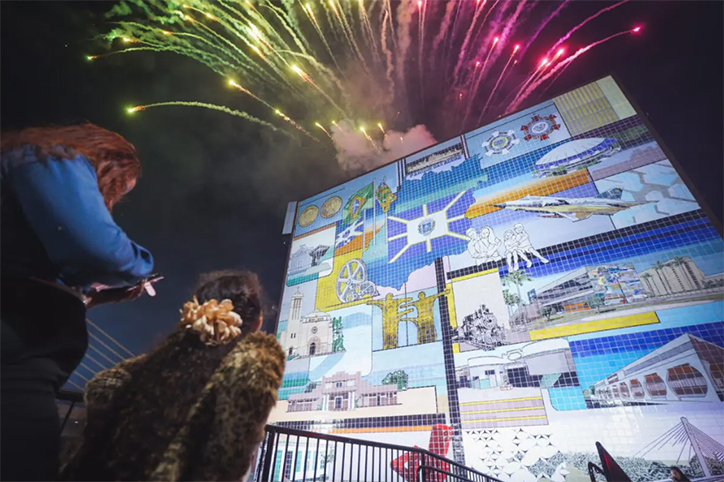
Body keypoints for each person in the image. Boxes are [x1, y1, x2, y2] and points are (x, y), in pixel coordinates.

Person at [1, 123, 155, 481]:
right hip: (18, 352)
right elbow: (101, 249)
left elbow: (32, 275)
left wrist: (91, 298)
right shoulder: (54, 159)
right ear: (110, 162)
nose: (112, 198)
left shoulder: (32, 161)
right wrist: (141, 268)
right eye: (119, 186)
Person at [60, 270, 285, 482]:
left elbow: (100, 389)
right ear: (258, 323)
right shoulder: (247, 370)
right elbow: (226, 466)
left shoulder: (148, 369)